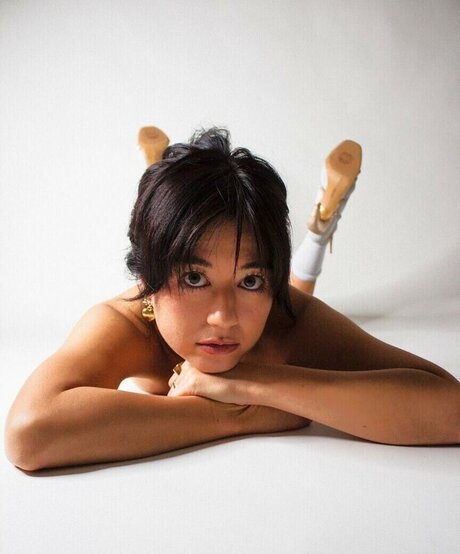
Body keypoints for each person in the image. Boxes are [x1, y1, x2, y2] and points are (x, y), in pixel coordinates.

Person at [5, 127, 460, 472]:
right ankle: (159, 177)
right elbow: (30, 433)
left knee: (291, 288)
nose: (223, 317)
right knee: (186, 234)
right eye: (194, 278)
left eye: (250, 281)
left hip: (277, 307)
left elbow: (451, 409)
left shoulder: (286, 316)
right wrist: (238, 418)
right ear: (147, 278)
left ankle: (320, 230)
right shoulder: (129, 319)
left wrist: (257, 382)